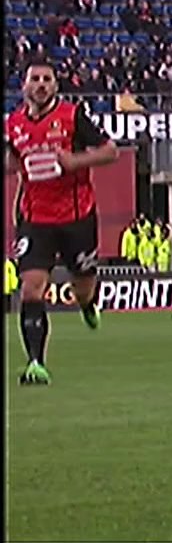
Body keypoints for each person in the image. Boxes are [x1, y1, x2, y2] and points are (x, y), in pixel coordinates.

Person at [6, 61, 119, 385]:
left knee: (83, 287)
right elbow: (13, 160)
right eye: (35, 79)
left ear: (56, 85)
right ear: (24, 85)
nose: (41, 84)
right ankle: (36, 363)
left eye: (47, 79)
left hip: (76, 217)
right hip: (34, 219)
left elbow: (110, 151)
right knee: (31, 287)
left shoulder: (73, 116)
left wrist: (75, 161)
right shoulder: (14, 123)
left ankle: (88, 305)